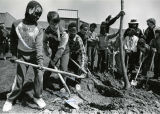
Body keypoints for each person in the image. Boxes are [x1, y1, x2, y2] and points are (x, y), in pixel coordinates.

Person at [2, 1, 45, 112]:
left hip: (35, 56)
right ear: (29, 10)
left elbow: (39, 46)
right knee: (20, 79)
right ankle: (10, 99)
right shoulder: (16, 24)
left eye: (40, 14)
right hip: (21, 55)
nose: (38, 16)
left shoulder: (39, 29)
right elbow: (13, 41)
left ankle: (37, 97)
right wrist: (13, 55)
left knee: (39, 76)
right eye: (36, 13)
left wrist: (40, 61)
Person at [43, 11, 69, 90]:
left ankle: (63, 87)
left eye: (56, 23)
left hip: (64, 51)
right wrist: (46, 51)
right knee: (50, 67)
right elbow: (44, 41)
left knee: (63, 68)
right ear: (48, 22)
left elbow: (61, 49)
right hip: (55, 50)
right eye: (52, 24)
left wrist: (54, 60)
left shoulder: (64, 33)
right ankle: (43, 83)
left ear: (58, 22)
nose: (54, 26)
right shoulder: (47, 31)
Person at [67, 22, 86, 87]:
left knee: (78, 68)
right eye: (71, 31)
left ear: (76, 31)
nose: (72, 33)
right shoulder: (66, 37)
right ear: (68, 31)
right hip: (67, 53)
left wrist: (82, 65)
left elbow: (83, 53)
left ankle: (77, 82)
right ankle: (63, 82)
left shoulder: (79, 39)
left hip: (76, 54)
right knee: (64, 66)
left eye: (74, 31)